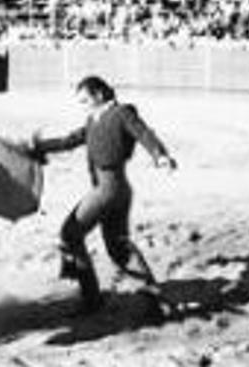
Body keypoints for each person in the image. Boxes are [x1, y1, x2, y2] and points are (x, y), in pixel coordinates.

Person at [29, 75, 178, 314]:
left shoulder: (121, 113)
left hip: (107, 190)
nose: (83, 105)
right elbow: (70, 140)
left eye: (85, 99)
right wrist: (40, 147)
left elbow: (143, 133)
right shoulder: (94, 119)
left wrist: (160, 155)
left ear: (99, 94)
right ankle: (155, 302)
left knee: (70, 233)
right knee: (119, 249)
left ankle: (91, 299)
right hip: (117, 190)